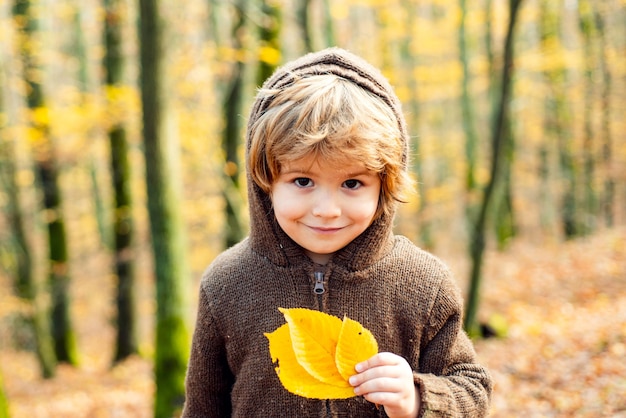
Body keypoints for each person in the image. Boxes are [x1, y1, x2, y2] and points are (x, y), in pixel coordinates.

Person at [182, 47, 492, 417]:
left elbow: (471, 387)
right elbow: (203, 408)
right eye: (302, 181)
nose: (326, 210)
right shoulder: (226, 284)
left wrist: (417, 398)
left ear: (385, 183)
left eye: (352, 183)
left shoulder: (424, 284)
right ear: (265, 181)